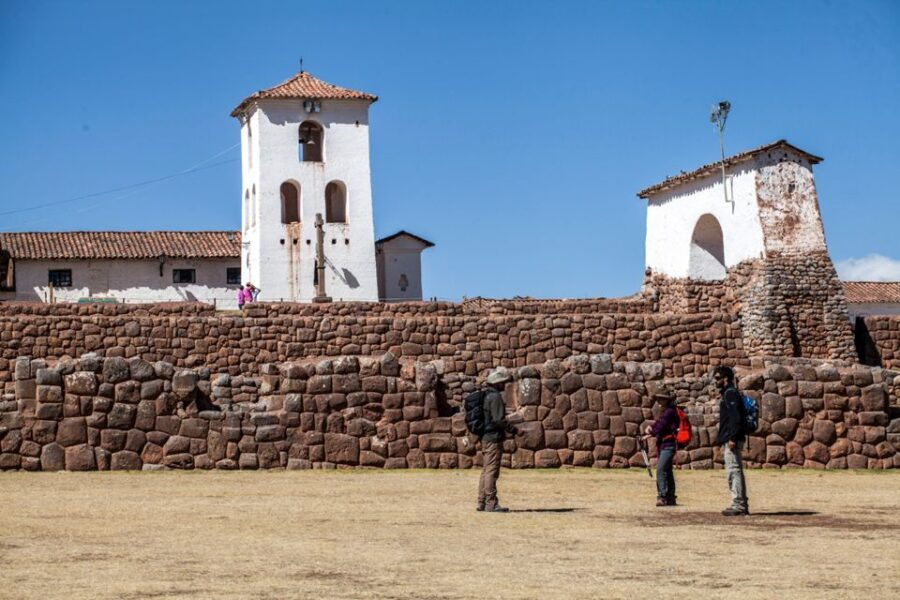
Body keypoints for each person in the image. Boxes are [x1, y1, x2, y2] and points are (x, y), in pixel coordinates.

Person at [477, 367, 520, 513]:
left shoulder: (488, 396)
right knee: (491, 472)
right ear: (497, 383)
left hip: (487, 437)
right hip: (493, 438)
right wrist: (514, 430)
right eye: (502, 382)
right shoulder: (495, 397)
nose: (504, 385)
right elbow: (498, 420)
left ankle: (482, 502)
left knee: (486, 470)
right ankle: (491, 503)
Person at [713, 365, 750, 516]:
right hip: (731, 437)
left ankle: (739, 504)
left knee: (734, 471)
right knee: (734, 470)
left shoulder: (730, 394)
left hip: (732, 438)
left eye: (717, 378)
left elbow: (735, 417)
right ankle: (740, 503)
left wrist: (732, 437)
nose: (715, 382)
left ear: (725, 379)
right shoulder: (729, 393)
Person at [642, 393, 679, 507]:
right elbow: (659, 423)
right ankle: (670, 497)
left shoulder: (669, 412)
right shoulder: (667, 411)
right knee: (667, 470)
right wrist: (651, 427)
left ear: (666, 400)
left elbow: (662, 425)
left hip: (669, 444)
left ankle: (662, 496)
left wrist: (649, 434)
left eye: (660, 399)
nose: (658, 401)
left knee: (661, 469)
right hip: (665, 444)